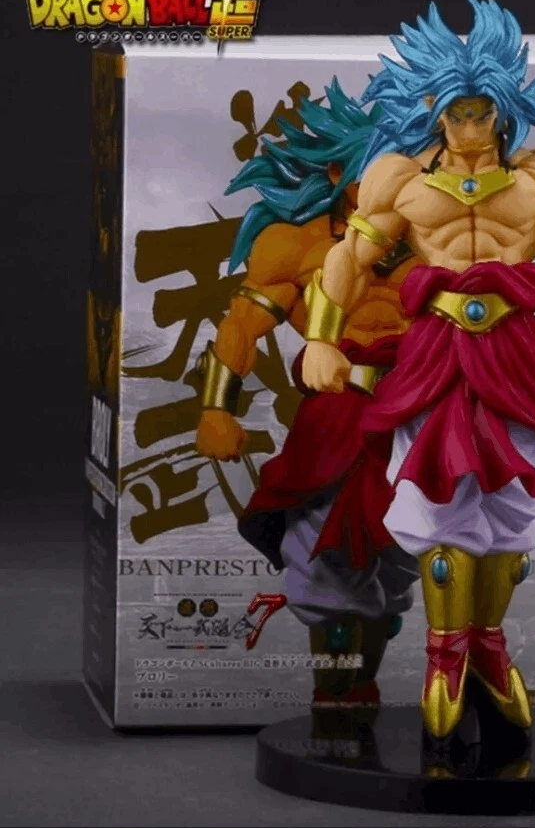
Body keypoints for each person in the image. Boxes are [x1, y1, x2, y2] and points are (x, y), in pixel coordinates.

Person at [299, 0, 535, 737]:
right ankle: (444, 655)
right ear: (434, 109)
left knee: (511, 518)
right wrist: (322, 338)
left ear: (503, 108)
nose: (469, 127)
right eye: (456, 112)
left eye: (481, 111)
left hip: (514, 356)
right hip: (436, 356)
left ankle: (489, 648)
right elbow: (350, 257)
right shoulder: (399, 179)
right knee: (442, 511)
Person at [195, 80, 420, 708]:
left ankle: (362, 688)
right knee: (328, 563)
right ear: (339, 173)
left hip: (418, 420)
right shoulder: (297, 245)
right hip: (337, 421)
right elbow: (242, 324)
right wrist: (216, 408)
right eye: (377, 169)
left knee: (400, 565)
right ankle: (334, 698)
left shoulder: (442, 240)